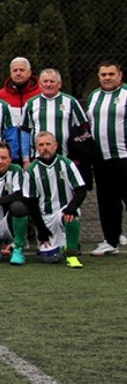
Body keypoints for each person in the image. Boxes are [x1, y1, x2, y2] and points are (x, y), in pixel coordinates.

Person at [16, 131, 87, 268]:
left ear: (55, 146)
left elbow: (81, 190)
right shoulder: (31, 170)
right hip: (45, 218)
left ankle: (71, 253)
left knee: (74, 215)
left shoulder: (66, 164)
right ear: (36, 147)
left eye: (48, 144)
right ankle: (64, 244)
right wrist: (41, 228)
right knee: (50, 259)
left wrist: (71, 207)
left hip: (63, 212)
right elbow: (31, 202)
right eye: (41, 145)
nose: (45, 148)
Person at [85, 60, 127, 257]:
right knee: (107, 201)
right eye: (103, 75)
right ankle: (111, 240)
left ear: (120, 75)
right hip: (101, 159)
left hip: (124, 156)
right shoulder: (94, 96)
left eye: (111, 74)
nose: (107, 78)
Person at [21, 68, 89, 163]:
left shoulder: (71, 102)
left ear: (59, 84)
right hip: (38, 157)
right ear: (40, 84)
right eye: (45, 81)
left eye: (52, 81)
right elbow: (25, 132)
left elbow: (83, 129)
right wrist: (26, 159)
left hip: (67, 158)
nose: (48, 84)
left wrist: (78, 155)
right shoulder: (31, 104)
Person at [0, 57, 42, 129]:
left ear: (29, 72)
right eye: (15, 70)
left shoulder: (40, 93)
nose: (18, 73)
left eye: (22, 70)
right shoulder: (1, 95)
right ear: (10, 73)